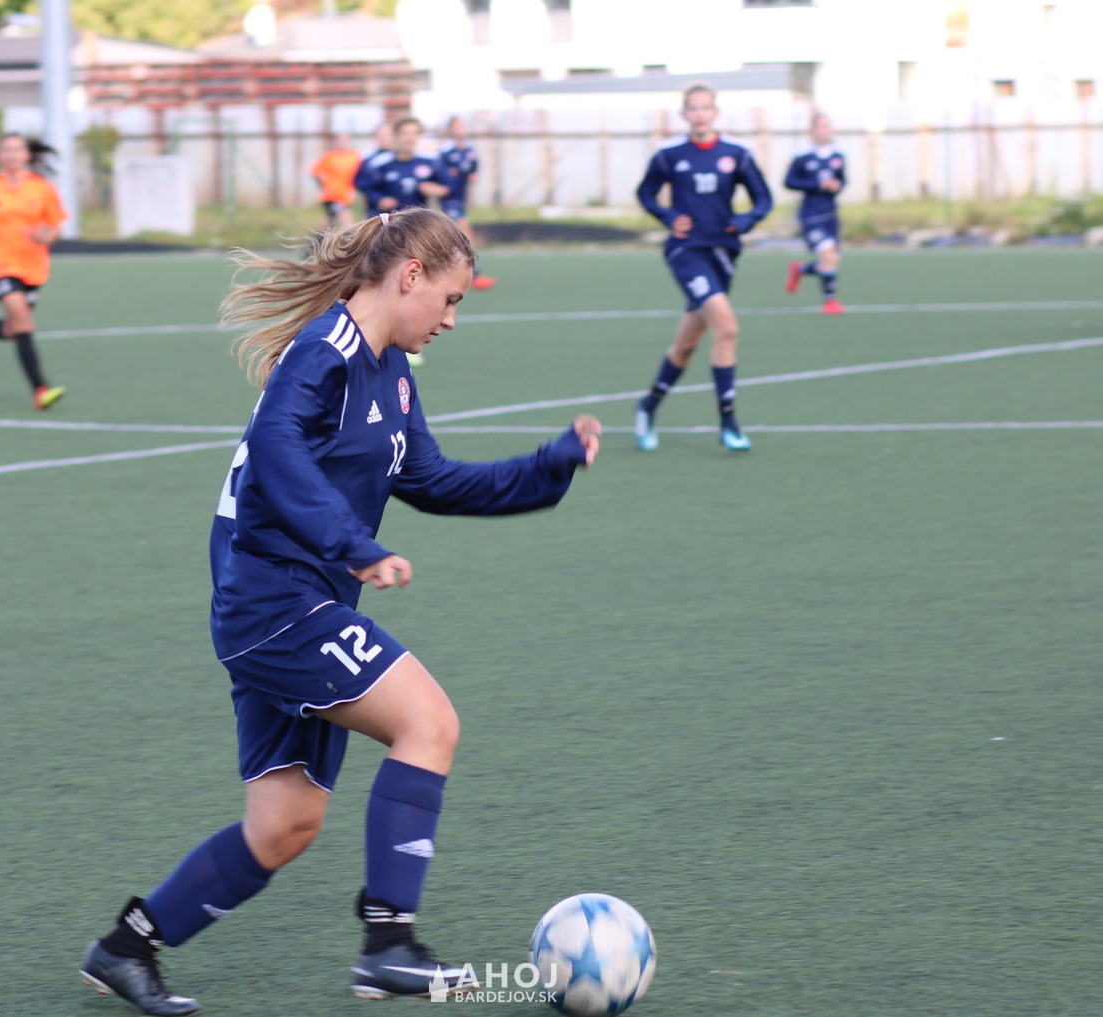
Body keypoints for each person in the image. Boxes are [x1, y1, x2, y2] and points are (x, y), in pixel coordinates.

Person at [78, 207, 601, 1016]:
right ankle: (389, 944)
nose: (452, 319)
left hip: (296, 605)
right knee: (429, 722)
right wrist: (351, 542)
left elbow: (433, 480)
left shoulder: (392, 372)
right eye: (451, 299)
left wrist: (549, 465)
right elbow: (276, 451)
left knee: (284, 824)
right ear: (411, 275)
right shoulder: (322, 351)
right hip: (274, 604)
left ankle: (125, 948)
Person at [634, 84, 773, 453]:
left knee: (686, 345)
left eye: (705, 108)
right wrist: (667, 216)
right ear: (684, 114)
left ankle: (647, 406)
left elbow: (764, 199)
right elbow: (645, 193)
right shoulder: (669, 154)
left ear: (715, 112)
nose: (699, 114)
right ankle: (729, 424)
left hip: (723, 253)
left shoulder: (736, 153)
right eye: (693, 109)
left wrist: (745, 221)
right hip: (686, 252)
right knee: (727, 328)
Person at [0, 134, 67, 410]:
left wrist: (45, 238)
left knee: (14, 328)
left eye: (18, 149)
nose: (12, 154)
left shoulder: (42, 188)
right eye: (6, 150)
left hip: (32, 267)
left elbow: (55, 227)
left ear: (27, 155)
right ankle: (40, 390)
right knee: (24, 323)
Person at [784, 112, 846, 315]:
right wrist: (817, 184)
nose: (823, 131)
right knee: (828, 255)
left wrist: (837, 185)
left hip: (830, 215)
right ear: (812, 131)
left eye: (826, 126)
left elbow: (842, 180)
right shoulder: (802, 157)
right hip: (810, 216)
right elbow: (789, 182)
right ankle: (830, 301)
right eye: (819, 126)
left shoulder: (838, 156)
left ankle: (800, 269)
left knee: (832, 259)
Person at [435, 116, 495, 290]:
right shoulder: (446, 151)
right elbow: (440, 174)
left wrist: (469, 180)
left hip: (461, 197)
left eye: (463, 125)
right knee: (464, 232)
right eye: (458, 126)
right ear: (451, 130)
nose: (462, 129)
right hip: (449, 198)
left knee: (452, 236)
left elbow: (472, 171)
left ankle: (453, 272)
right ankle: (474, 274)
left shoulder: (470, 149)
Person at [353, 118, 448, 217]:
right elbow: (365, 186)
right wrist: (379, 199)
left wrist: (437, 189)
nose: (410, 138)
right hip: (385, 220)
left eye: (414, 133)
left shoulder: (429, 161)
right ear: (395, 136)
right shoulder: (378, 163)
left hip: (417, 220)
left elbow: (447, 185)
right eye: (405, 133)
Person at [310, 131, 361, 228]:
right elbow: (314, 172)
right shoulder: (330, 157)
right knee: (346, 218)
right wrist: (323, 186)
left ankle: (318, 237)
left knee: (331, 220)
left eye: (345, 141)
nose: (342, 143)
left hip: (345, 197)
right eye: (340, 141)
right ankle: (350, 237)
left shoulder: (355, 156)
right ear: (336, 142)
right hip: (332, 196)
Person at [354, 122, 395, 219]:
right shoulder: (367, 159)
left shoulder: (402, 157)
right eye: (381, 135)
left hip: (402, 210)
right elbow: (361, 184)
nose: (385, 138)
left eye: (388, 135)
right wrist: (378, 199)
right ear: (376, 137)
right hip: (376, 211)